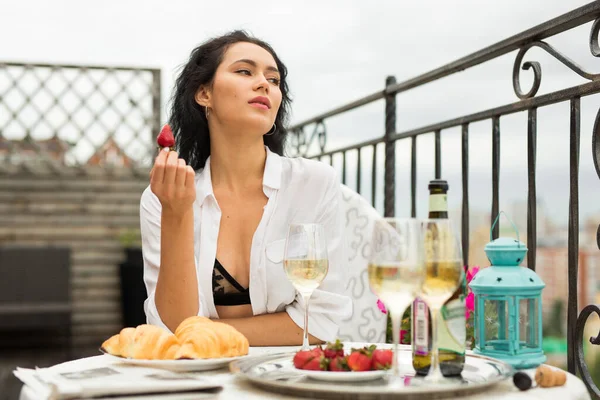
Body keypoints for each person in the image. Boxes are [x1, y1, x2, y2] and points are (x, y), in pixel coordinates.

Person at [140, 31, 352, 346]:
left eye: (274, 80)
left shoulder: (313, 184)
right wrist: (178, 213)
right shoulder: (164, 198)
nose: (264, 83)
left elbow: (320, 322)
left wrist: (206, 333)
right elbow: (172, 327)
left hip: (291, 373)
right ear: (204, 93)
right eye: (244, 71)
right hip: (200, 378)